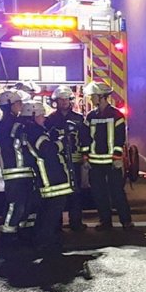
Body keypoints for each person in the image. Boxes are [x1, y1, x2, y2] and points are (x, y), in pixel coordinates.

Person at [19, 99, 73, 257]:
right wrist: (62, 142)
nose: (44, 118)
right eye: (42, 115)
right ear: (33, 115)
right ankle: (45, 243)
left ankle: (44, 241)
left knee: (47, 212)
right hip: (51, 178)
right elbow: (47, 150)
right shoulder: (35, 132)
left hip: (49, 177)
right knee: (51, 214)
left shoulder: (31, 130)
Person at [82, 80, 134, 230]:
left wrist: (117, 158)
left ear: (101, 97)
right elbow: (86, 137)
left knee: (117, 192)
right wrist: (86, 156)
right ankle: (105, 221)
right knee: (99, 193)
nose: (91, 99)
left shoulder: (116, 115)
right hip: (95, 162)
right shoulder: (90, 116)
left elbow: (119, 138)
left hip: (112, 161)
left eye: (93, 96)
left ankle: (126, 221)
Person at [46, 85, 87, 232]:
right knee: (58, 193)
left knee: (75, 193)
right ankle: (56, 225)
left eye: (66, 99)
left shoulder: (79, 119)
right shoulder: (49, 120)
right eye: (61, 99)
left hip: (75, 162)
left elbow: (85, 139)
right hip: (58, 162)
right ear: (56, 101)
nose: (64, 102)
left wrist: (85, 157)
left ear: (71, 101)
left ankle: (76, 222)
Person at [0, 89, 32, 246]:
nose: (21, 106)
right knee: (14, 204)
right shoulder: (3, 125)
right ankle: (7, 235)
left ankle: (21, 231)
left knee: (26, 203)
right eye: (18, 103)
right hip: (14, 171)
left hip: (23, 170)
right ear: (9, 106)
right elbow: (13, 141)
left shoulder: (15, 123)